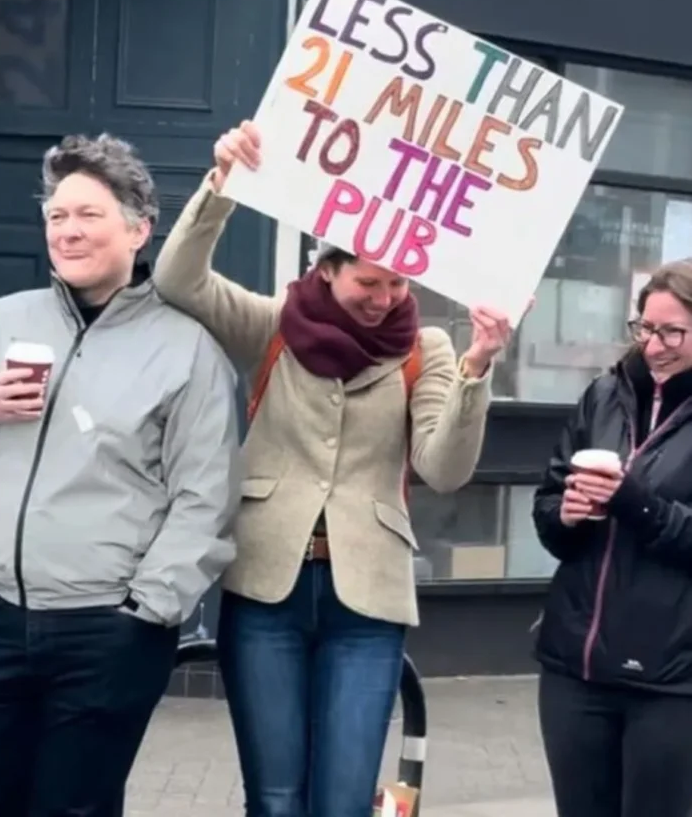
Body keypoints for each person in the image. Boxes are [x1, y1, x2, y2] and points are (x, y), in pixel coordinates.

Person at [152, 119, 519, 817]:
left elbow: (442, 469)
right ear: (327, 268)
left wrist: (476, 369)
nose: (384, 298)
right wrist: (222, 182)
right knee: (276, 796)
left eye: (397, 283)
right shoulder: (273, 326)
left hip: (366, 600)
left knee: (345, 801)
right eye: (367, 282)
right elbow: (178, 279)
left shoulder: (426, 349)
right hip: (265, 589)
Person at [0, 133, 241, 817]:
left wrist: (145, 613)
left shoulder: (186, 352)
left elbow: (204, 499)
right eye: (57, 215)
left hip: (105, 632)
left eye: (87, 214)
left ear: (138, 228)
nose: (68, 230)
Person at [533, 259, 692, 817]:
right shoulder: (605, 394)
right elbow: (549, 504)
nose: (654, 345)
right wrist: (566, 515)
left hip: (673, 681)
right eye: (645, 328)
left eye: (673, 331)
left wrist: (636, 504)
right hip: (576, 668)